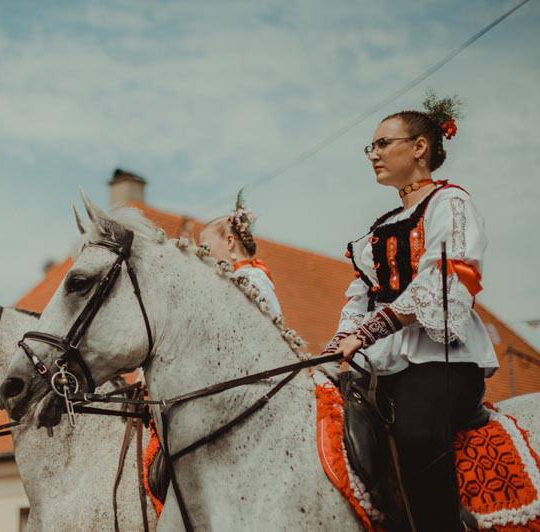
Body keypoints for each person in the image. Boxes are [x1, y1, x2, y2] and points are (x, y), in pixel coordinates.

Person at [321, 91, 499, 531]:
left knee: (417, 434)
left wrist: (369, 331)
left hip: (442, 359)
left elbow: (443, 282)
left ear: (420, 147)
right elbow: (360, 294)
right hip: (381, 358)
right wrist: (339, 341)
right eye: (372, 147)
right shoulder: (378, 229)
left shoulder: (451, 204)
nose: (374, 154)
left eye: (383, 144)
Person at [198, 190, 282, 318]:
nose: (202, 253)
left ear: (229, 241)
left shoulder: (250, 282)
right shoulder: (251, 277)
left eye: (206, 246)